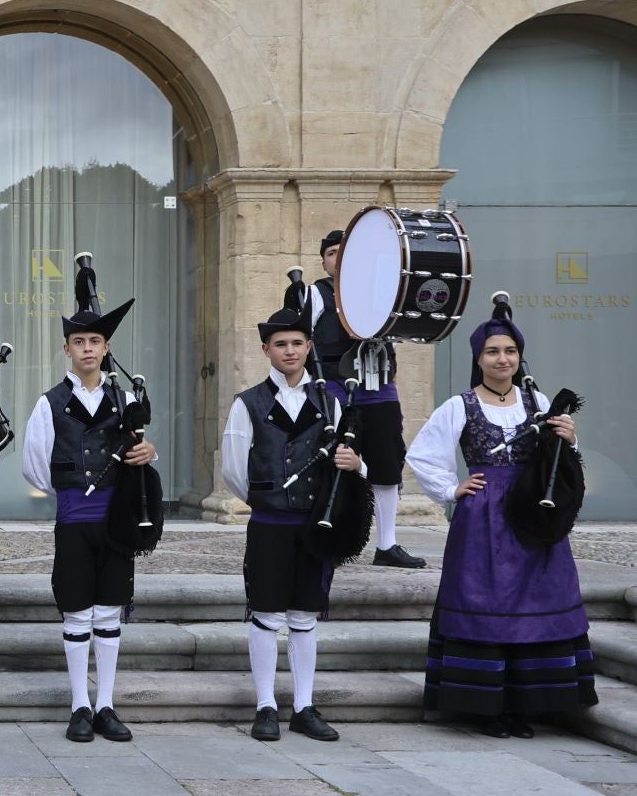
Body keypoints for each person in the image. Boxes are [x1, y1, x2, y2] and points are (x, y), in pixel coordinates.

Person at [408, 295, 595, 737]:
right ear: (478, 358)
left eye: (510, 351)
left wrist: (568, 439)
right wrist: (452, 489)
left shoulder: (539, 401)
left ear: (519, 356)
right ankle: (487, 706)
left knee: (535, 600)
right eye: (492, 351)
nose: (502, 358)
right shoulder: (459, 406)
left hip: (533, 517)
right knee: (485, 599)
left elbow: (557, 463)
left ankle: (525, 704)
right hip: (483, 519)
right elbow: (422, 455)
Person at [222, 305, 361, 744]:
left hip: (314, 527)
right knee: (265, 614)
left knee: (304, 616)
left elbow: (348, 462)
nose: (289, 350)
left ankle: (303, 706)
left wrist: (355, 464)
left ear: (309, 347)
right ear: (266, 349)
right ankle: (265, 705)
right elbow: (233, 470)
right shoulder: (248, 403)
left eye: (297, 343)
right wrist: (269, 500)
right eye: (280, 344)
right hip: (268, 524)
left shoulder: (331, 403)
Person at [21, 292, 151, 744]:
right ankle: (79, 706)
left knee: (110, 612)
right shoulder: (49, 402)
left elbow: (139, 454)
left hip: (116, 523)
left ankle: (106, 706)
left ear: (106, 348)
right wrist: (71, 490)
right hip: (74, 520)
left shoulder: (126, 396)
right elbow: (34, 465)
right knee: (77, 614)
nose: (88, 348)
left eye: (96, 340)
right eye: (80, 341)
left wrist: (147, 454)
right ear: (67, 350)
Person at [308, 228, 422, 568]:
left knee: (387, 463)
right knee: (333, 460)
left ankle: (386, 545)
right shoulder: (314, 294)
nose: (338, 259)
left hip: (379, 387)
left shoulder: (383, 291)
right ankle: (329, 535)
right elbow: (299, 339)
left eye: (345, 252)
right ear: (324, 262)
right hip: (334, 386)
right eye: (331, 253)